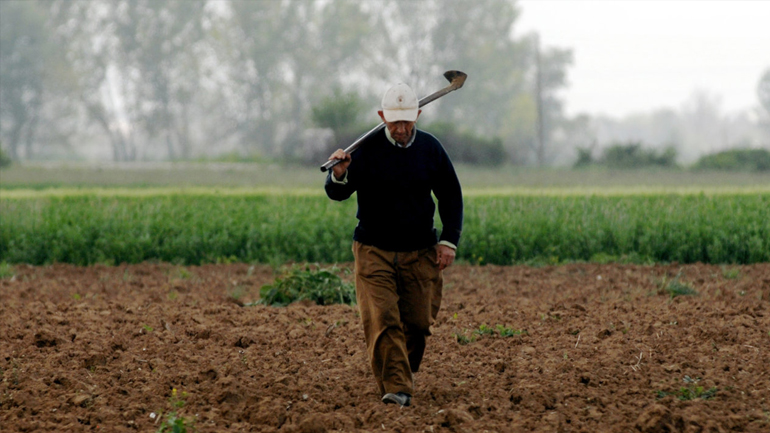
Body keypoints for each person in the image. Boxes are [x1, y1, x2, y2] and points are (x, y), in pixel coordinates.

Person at [324, 82, 463, 407]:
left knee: (416, 324)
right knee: (383, 319)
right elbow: (337, 193)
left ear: (417, 114)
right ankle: (398, 388)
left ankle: (399, 373)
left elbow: (451, 196)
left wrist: (448, 241)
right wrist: (340, 174)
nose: (401, 129)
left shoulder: (430, 150)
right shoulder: (365, 151)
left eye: (407, 121)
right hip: (374, 250)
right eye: (394, 121)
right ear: (381, 116)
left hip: (419, 251)